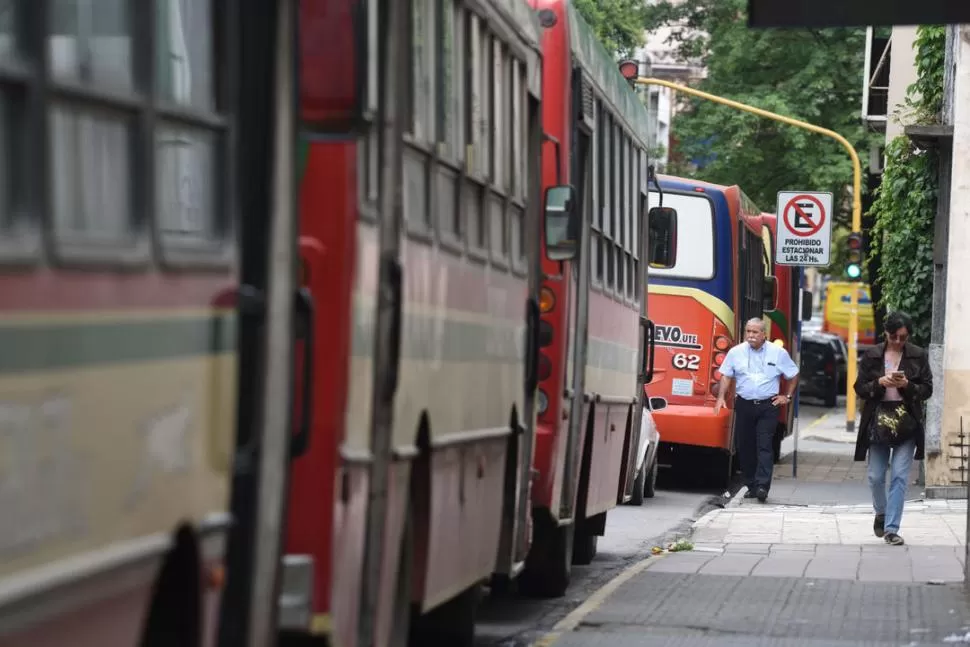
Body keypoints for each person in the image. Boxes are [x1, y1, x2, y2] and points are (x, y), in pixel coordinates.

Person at [854, 310, 932, 546]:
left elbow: (927, 389)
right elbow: (859, 387)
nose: (898, 341)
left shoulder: (918, 356)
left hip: (906, 421)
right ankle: (881, 511)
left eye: (903, 337)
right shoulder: (872, 355)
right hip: (878, 420)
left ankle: (891, 529)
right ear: (886, 333)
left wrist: (907, 385)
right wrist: (879, 383)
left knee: (899, 475)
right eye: (894, 336)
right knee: (876, 475)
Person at [714, 318, 799, 503]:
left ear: (764, 334)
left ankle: (762, 486)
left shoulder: (778, 353)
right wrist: (721, 397)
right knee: (745, 447)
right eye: (748, 331)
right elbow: (727, 375)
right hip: (744, 404)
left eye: (755, 332)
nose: (751, 336)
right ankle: (751, 485)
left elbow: (793, 374)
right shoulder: (736, 352)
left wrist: (787, 396)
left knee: (764, 446)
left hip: (768, 406)